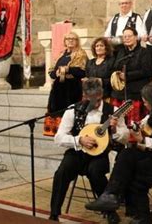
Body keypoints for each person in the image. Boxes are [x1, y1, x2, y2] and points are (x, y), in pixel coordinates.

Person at [85, 82, 152, 224]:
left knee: (134, 177)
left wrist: (143, 140)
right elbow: (140, 124)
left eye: (145, 102)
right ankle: (111, 196)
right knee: (126, 154)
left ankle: (139, 216)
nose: (145, 105)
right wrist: (119, 127)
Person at [49, 78, 129, 223]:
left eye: (98, 100)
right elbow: (59, 137)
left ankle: (109, 210)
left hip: (100, 154)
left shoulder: (113, 111)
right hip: (78, 151)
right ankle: (54, 213)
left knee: (96, 171)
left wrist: (115, 129)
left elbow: (125, 138)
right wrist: (79, 140)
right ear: (84, 96)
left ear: (102, 94)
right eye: (91, 99)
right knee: (62, 172)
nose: (95, 103)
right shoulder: (73, 109)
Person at [44, 32, 88, 136]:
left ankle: (70, 133)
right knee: (56, 110)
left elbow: (83, 72)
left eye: (73, 39)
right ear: (65, 41)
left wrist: (69, 69)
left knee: (70, 112)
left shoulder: (81, 54)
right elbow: (51, 71)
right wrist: (57, 73)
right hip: (58, 88)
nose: (70, 40)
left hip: (72, 87)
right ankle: (56, 132)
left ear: (77, 41)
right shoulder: (61, 54)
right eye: (68, 39)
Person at [111, 27, 152, 127]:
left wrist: (127, 76)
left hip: (135, 93)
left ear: (135, 37)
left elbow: (146, 71)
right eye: (124, 36)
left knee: (132, 123)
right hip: (121, 92)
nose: (127, 38)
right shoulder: (121, 52)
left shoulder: (144, 52)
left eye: (129, 36)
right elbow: (116, 66)